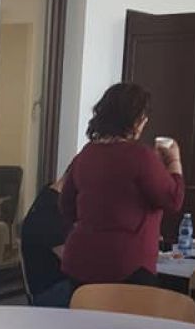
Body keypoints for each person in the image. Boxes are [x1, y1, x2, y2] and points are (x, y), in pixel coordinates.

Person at [61, 82, 184, 288]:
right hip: (126, 265)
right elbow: (172, 199)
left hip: (81, 262)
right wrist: (173, 161)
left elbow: (66, 205)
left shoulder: (86, 153)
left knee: (85, 310)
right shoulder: (141, 156)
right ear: (135, 120)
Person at [20, 175, 72, 306]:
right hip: (51, 292)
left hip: (60, 286)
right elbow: (74, 261)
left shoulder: (50, 201)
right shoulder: (48, 212)